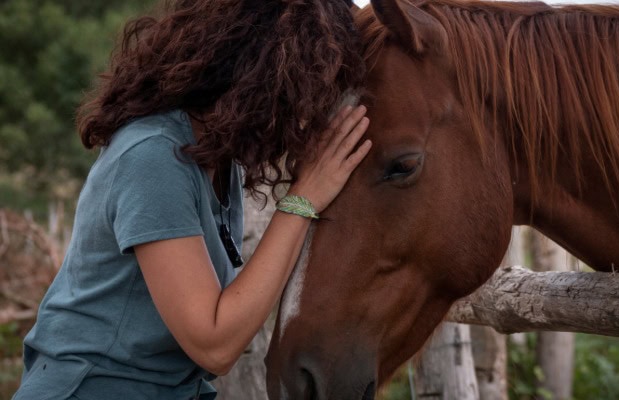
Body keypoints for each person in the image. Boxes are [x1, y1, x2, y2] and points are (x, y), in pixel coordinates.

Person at [12, 0, 370, 399]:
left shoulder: (215, 160)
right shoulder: (153, 156)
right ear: (263, 77)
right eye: (307, 94)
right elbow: (213, 344)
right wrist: (304, 198)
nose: (310, 118)